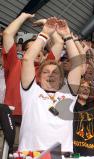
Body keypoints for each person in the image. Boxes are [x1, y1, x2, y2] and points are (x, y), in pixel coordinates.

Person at [18, 18, 82, 152]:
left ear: (61, 79)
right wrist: (44, 34)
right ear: (39, 77)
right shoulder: (31, 91)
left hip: (62, 154)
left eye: (55, 72)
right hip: (31, 153)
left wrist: (67, 36)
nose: (50, 74)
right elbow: (27, 59)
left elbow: (77, 63)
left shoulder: (68, 93)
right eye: (46, 72)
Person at [2, 13, 63, 115]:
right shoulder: (14, 63)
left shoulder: (46, 68)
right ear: (24, 53)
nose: (37, 51)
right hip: (12, 117)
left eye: (40, 49)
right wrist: (23, 16)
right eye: (32, 48)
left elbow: (59, 43)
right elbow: (7, 34)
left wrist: (46, 24)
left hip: (36, 119)